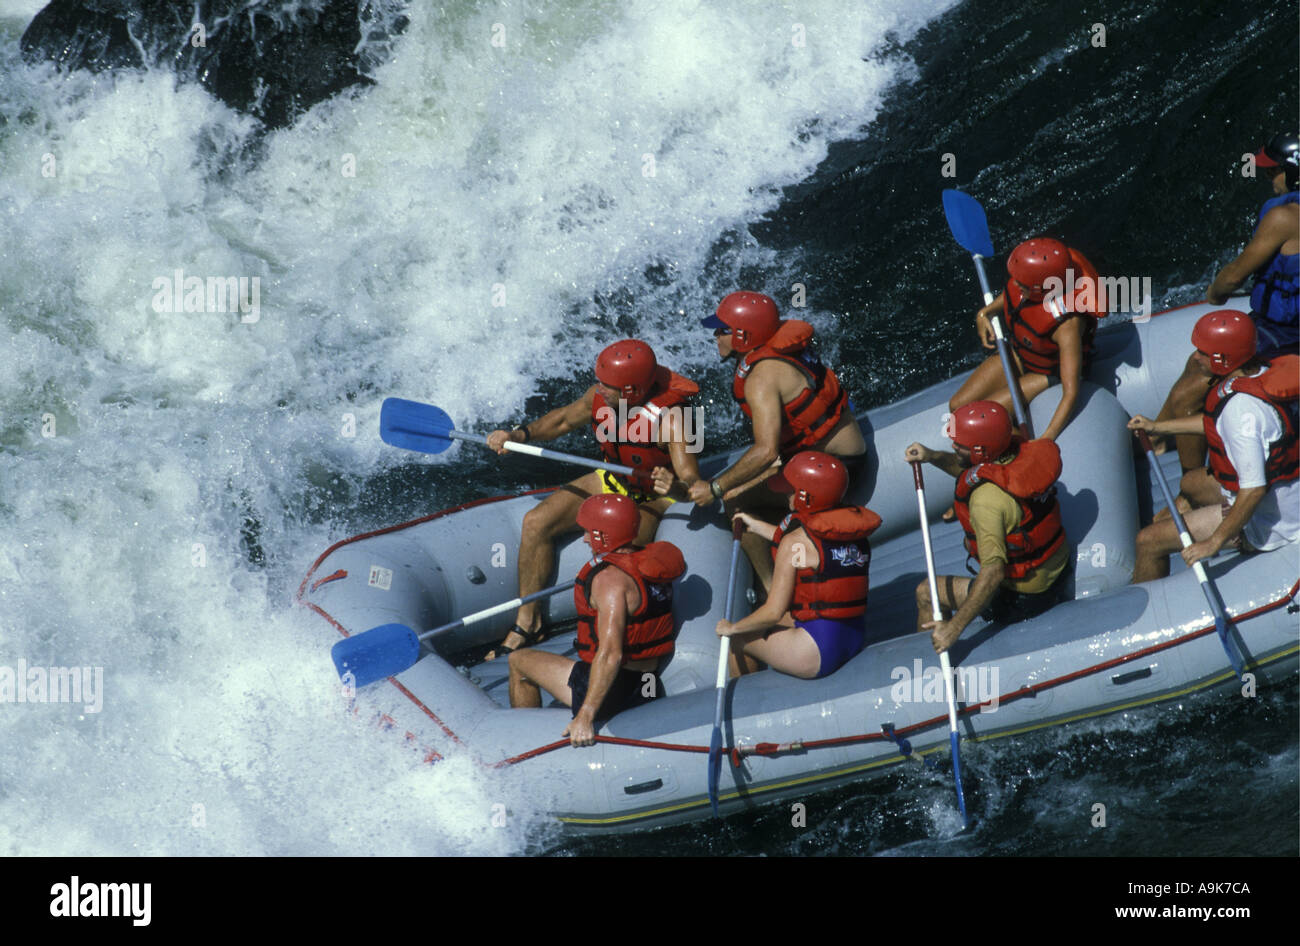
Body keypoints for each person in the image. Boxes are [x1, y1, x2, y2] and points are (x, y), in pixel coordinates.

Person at [485, 339, 700, 656]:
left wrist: (674, 487)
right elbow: (562, 420)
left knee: (617, 551)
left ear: (632, 391)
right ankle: (528, 624)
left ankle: (609, 640)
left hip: (654, 497)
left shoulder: (675, 417)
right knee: (536, 522)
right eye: (600, 381)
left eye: (609, 385)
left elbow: (691, 481)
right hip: (612, 480)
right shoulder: (600, 395)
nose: (600, 389)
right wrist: (517, 435)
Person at [655, 291, 867, 585]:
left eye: (722, 330)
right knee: (748, 480)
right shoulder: (779, 351)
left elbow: (766, 451)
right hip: (827, 456)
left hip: (833, 470)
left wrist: (715, 488)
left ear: (743, 336)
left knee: (733, 499)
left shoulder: (760, 378)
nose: (715, 336)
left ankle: (770, 587)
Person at [1152, 131, 1299, 474]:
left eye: (1272, 170)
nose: (1266, 176)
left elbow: (1233, 277)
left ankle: (1191, 485)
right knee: (1197, 360)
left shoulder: (1284, 218)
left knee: (1188, 393)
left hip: (1285, 336)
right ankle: (1156, 436)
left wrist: (1215, 294)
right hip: (1280, 327)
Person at [1129, 310, 1299, 582]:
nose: (1195, 358)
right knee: (1191, 484)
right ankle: (1190, 510)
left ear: (1223, 359)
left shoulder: (1241, 411)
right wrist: (1157, 427)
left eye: (1202, 353)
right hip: (1285, 494)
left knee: (1148, 540)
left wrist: (1214, 542)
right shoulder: (1261, 373)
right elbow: (1215, 424)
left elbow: (1253, 490)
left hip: (1272, 524)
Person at [507, 494, 686, 746]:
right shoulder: (650, 562)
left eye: (590, 532)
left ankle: (524, 744)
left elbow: (611, 654)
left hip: (616, 690)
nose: (585, 538)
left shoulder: (609, 581)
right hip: (648, 682)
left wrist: (585, 716)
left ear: (605, 535)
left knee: (518, 661)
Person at [904, 401, 1071, 653]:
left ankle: (924, 663)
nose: (952, 445)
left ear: (981, 450)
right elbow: (973, 470)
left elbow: (993, 573)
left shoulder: (986, 502)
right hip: (1056, 568)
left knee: (926, 591)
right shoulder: (1017, 454)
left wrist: (953, 630)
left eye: (959, 444)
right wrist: (933, 456)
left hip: (1023, 597)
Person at [719, 451, 881, 679]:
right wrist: (755, 526)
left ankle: (749, 702)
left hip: (816, 653)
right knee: (774, 619)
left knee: (738, 638)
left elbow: (773, 613)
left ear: (805, 497)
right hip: (852, 635)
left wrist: (731, 629)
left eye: (790, 490)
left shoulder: (793, 542)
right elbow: (813, 549)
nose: (785, 494)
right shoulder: (852, 532)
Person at [950, 238, 1105, 443]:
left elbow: (1071, 391)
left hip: (1049, 372)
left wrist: (1047, 438)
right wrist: (984, 313)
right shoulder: (1029, 284)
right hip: (1021, 353)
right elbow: (1012, 296)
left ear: (1041, 289)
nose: (1015, 284)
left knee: (987, 414)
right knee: (957, 406)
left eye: (1021, 283)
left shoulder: (1067, 325)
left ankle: (1013, 445)